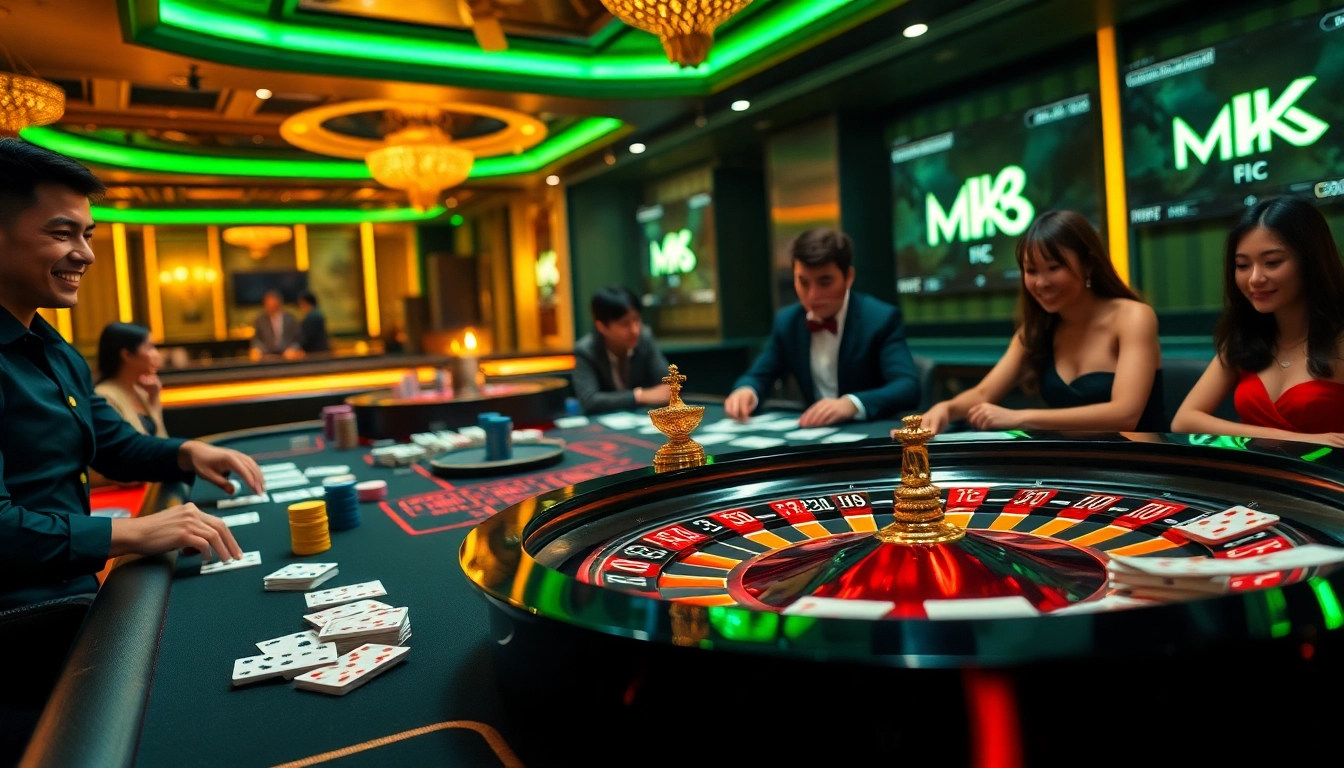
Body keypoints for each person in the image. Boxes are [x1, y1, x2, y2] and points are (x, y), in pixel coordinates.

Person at [0, 138, 264, 611]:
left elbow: (114, 445)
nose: (86, 254)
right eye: (63, 233)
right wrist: (137, 531)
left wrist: (187, 452)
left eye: (88, 235)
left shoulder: (55, 350)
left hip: (75, 597)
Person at [919, 210, 1165, 434]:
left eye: (1053, 268)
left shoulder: (1134, 317)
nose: (1041, 283)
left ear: (1088, 265)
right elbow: (984, 393)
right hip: (1072, 465)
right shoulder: (1038, 328)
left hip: (1140, 468)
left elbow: (1125, 415)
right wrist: (947, 408)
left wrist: (1020, 417)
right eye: (1032, 271)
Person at [1172, 197, 1344, 443]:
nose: (1254, 278)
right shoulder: (1243, 336)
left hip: (1326, 479)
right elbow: (1184, 420)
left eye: (1272, 263)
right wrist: (1297, 439)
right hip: (1257, 478)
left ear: (1310, 260)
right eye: (1242, 265)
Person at [724, 228, 920, 427]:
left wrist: (851, 403)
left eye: (825, 282)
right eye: (803, 282)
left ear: (849, 277)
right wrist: (747, 390)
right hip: (813, 440)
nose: (812, 296)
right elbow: (758, 375)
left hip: (869, 437)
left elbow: (907, 387)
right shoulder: (787, 322)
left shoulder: (880, 318)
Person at [572, 286, 671, 413]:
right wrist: (639, 396)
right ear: (601, 327)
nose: (635, 330)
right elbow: (590, 401)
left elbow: (668, 386)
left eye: (637, 320)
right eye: (625, 324)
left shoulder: (644, 338)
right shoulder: (586, 350)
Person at [94, 322, 167, 438]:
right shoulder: (104, 396)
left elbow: (161, 443)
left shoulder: (141, 392)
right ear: (126, 354)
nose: (156, 354)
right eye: (149, 347)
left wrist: (154, 399)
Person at [251, 288, 302, 358]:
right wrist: (256, 349)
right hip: (267, 356)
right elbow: (257, 339)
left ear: (279, 302)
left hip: (287, 355)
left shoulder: (290, 318)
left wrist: (293, 348)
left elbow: (298, 339)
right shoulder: (260, 320)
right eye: (267, 302)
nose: (269, 305)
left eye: (272, 301)